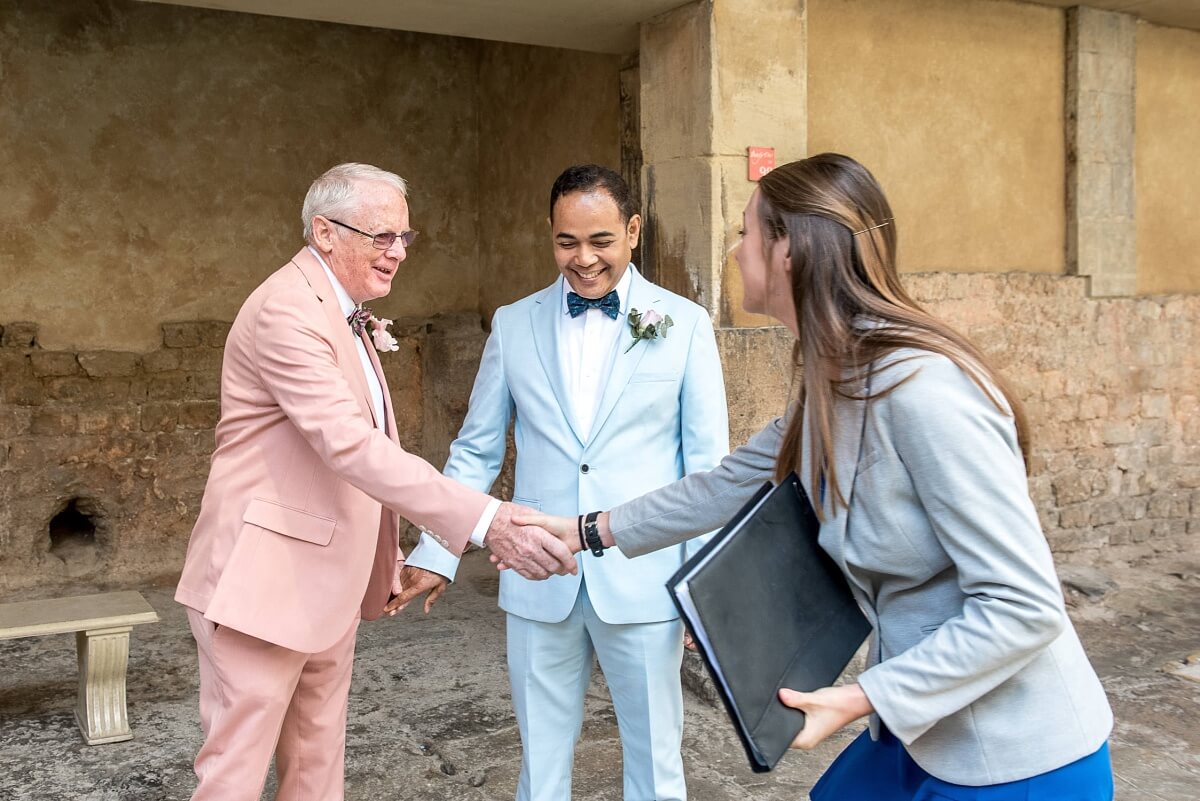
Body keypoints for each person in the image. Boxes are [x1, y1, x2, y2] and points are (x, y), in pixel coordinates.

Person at [513, 154, 1115, 800]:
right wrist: (580, 531)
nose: (736, 251)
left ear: (789, 253)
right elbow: (720, 486)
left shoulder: (925, 391)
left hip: (1016, 753)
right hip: (919, 729)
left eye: (747, 233)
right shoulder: (826, 388)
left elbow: (1026, 605)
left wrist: (858, 697)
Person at [173, 162, 576, 801]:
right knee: (233, 778)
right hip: (262, 586)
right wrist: (485, 519)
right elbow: (350, 447)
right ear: (324, 232)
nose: (397, 253)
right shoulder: (287, 309)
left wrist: (382, 555)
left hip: (324, 587)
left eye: (404, 239)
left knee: (315, 771)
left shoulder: (343, 308)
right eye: (381, 236)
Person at [399, 164, 729, 801]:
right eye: (566, 242)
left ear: (633, 231)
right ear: (550, 236)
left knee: (658, 768)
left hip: (645, 578)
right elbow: (475, 451)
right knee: (540, 768)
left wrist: (702, 586)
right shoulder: (513, 323)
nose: (584, 260)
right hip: (536, 575)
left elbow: (706, 471)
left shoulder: (683, 324)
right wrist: (436, 554)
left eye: (601, 241)